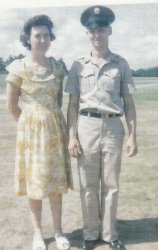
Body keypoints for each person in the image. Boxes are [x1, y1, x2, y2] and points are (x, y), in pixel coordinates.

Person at [65, 5, 138, 250]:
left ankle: (110, 234)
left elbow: (129, 102)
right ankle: (89, 234)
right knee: (87, 185)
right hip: (86, 126)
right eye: (92, 30)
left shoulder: (121, 63)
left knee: (111, 184)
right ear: (87, 34)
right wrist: (71, 137)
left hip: (113, 127)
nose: (97, 34)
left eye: (101, 29)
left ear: (110, 31)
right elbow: (73, 104)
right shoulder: (77, 65)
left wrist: (132, 136)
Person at [6, 15, 72, 250]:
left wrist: (50, 123)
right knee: (35, 185)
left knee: (54, 184)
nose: (42, 39)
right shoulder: (18, 67)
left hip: (55, 131)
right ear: (27, 39)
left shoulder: (57, 67)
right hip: (31, 135)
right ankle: (37, 233)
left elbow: (58, 101)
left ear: (50, 38)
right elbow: (12, 106)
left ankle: (58, 231)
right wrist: (28, 126)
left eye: (46, 35)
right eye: (37, 35)